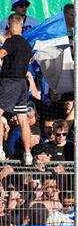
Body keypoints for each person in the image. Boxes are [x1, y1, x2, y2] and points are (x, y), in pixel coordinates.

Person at [0, 14, 38, 163]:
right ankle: (27, 154)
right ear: (21, 26)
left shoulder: (11, 42)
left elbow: (1, 54)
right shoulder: (26, 45)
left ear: (9, 26)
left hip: (9, 82)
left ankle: (0, 150)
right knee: (23, 119)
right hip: (22, 83)